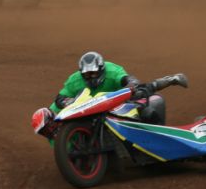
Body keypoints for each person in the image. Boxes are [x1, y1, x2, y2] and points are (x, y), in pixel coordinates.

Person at [32, 51, 186, 139]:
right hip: (88, 113)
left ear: (101, 69)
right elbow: (59, 99)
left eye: (94, 73)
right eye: (87, 75)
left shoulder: (112, 70)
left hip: (118, 104)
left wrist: (131, 84)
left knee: (146, 102)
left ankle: (159, 136)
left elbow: (128, 79)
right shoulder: (75, 80)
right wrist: (69, 102)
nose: (90, 77)